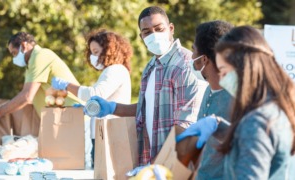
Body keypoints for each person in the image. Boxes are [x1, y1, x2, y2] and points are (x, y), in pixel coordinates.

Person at [86, 6, 207, 166]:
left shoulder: (185, 65)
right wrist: (113, 108)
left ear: (171, 29)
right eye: (147, 32)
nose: (154, 35)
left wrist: (157, 165)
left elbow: (186, 127)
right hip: (152, 160)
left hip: (176, 165)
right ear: (141, 36)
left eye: (159, 29)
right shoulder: (151, 67)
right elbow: (146, 110)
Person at [177, 26, 295, 179]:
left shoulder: (257, 120)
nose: (223, 79)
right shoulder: (275, 106)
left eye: (224, 71)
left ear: (243, 65)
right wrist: (219, 126)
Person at [51, 29, 133, 167]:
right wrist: (88, 108)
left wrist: (66, 85)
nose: (93, 57)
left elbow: (95, 93)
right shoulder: (112, 71)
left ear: (108, 49)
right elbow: (103, 100)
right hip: (104, 133)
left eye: (96, 52)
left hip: (110, 134)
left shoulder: (115, 70)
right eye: (91, 53)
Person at [189, 20, 233, 179]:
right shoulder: (209, 89)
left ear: (204, 59)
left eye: (193, 50)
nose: (191, 56)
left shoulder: (240, 99)